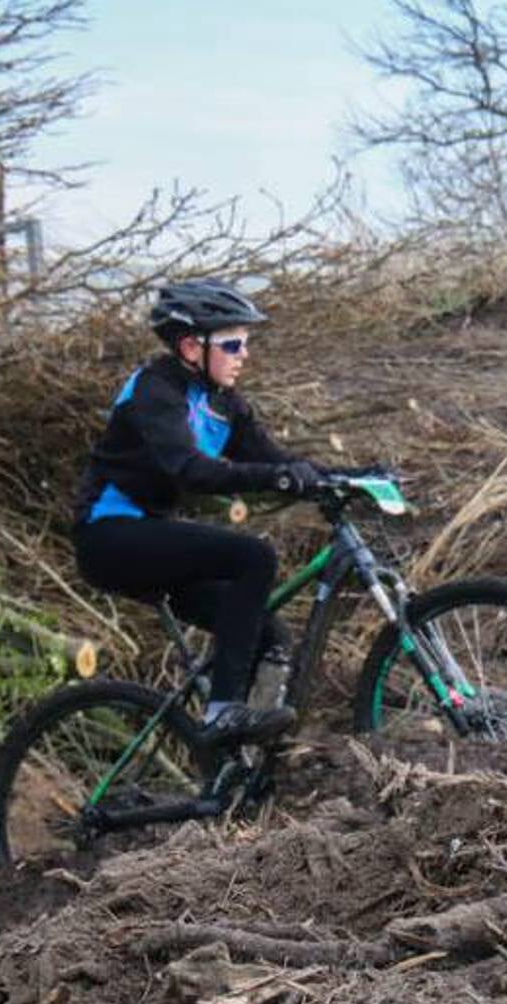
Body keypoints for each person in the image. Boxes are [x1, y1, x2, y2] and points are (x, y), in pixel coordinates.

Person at [71, 278, 327, 747]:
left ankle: (232, 766)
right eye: (233, 344)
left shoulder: (223, 404)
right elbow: (190, 470)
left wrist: (351, 478)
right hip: (108, 535)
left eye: (245, 344)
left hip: (152, 534)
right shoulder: (154, 390)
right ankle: (221, 712)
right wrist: (274, 479)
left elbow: (279, 461)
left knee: (267, 632)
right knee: (254, 558)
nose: (243, 355)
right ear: (191, 346)